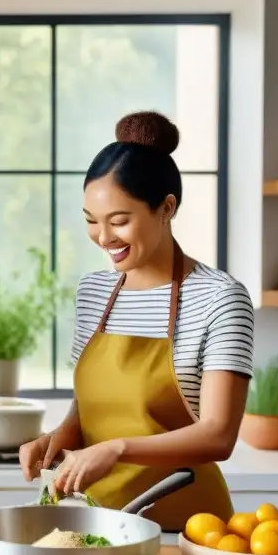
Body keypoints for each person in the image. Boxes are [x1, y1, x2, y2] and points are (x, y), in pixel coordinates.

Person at [19, 111, 254, 531]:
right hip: (99, 522)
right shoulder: (93, 292)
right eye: (92, 221)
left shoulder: (219, 297)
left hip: (185, 525)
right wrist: (59, 437)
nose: (104, 238)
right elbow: (90, 409)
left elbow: (219, 436)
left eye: (119, 221)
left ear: (166, 208)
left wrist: (117, 448)